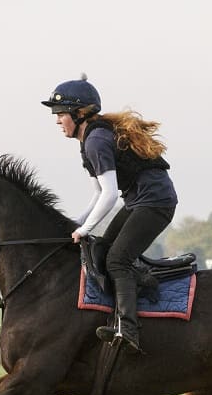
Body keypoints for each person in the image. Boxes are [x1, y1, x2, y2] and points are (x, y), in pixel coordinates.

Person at [42, 75, 178, 353]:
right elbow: (97, 194)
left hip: (155, 203)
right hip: (139, 201)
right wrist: (77, 222)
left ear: (80, 114)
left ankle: (127, 330)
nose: (57, 120)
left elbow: (110, 193)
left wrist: (84, 230)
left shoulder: (96, 141)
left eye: (60, 114)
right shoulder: (88, 142)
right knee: (102, 249)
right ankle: (144, 280)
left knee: (117, 260)